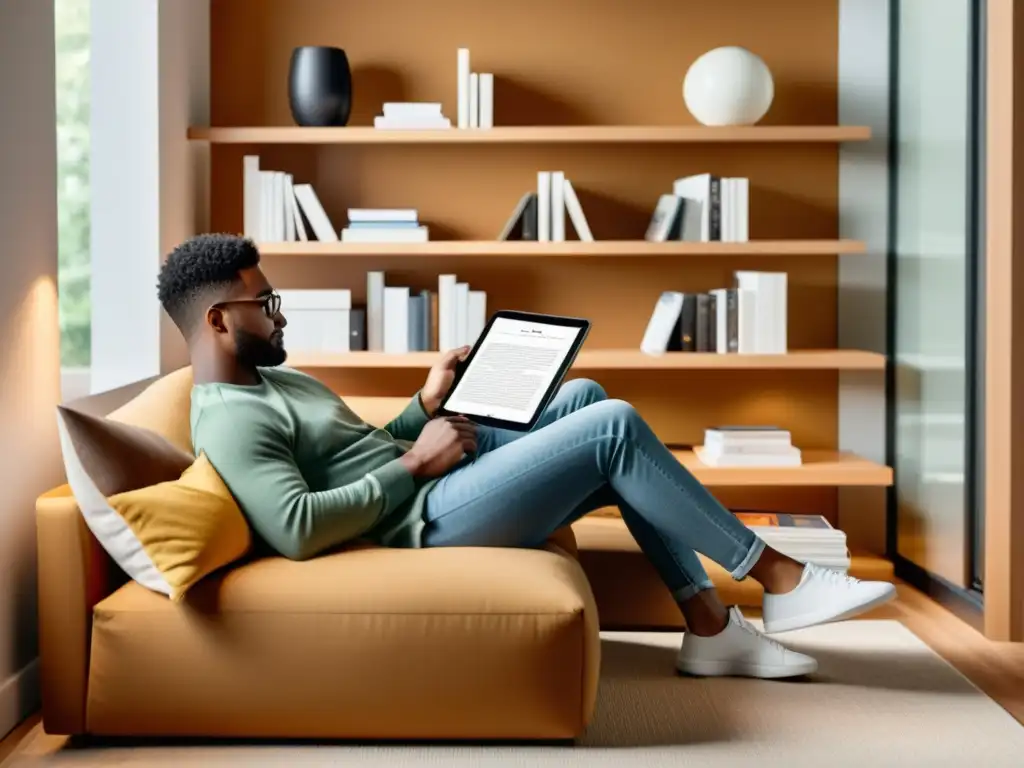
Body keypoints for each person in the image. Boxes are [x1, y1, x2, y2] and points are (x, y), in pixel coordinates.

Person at [158, 233, 896, 680]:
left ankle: (709, 630)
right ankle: (776, 575)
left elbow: (357, 454)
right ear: (220, 320)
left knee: (583, 394)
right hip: (417, 524)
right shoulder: (228, 420)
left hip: (421, 484)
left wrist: (425, 406)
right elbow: (294, 526)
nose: (280, 312)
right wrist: (417, 465)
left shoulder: (277, 377)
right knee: (611, 425)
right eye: (266, 303)